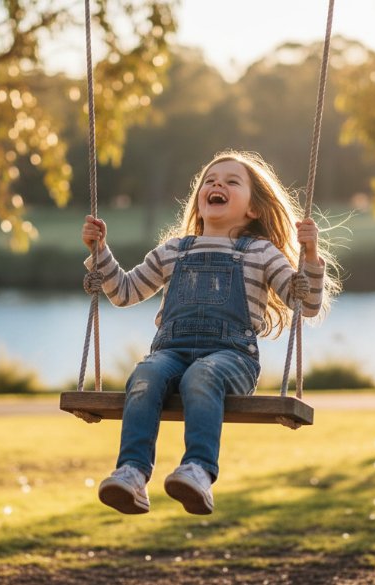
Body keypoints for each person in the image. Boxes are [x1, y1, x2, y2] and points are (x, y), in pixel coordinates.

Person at [81, 150, 340, 515]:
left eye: (232, 181)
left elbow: (306, 304)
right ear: (200, 200)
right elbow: (124, 292)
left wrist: (309, 255)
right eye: (210, 180)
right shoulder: (173, 251)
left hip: (231, 358)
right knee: (145, 374)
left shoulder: (261, 253)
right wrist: (100, 251)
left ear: (254, 209)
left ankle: (198, 470)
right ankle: (132, 474)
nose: (217, 184)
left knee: (202, 375)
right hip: (171, 352)